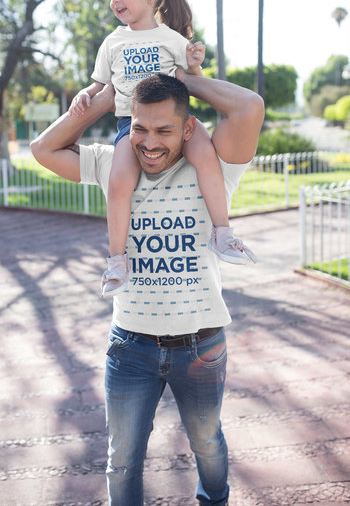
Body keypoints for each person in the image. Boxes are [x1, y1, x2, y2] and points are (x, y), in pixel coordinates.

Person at [31, 69, 265, 506]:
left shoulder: (213, 167)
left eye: (164, 130)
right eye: (139, 127)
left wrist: (182, 78)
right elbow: (42, 149)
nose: (150, 142)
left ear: (188, 128)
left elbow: (249, 107)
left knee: (207, 444)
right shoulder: (110, 165)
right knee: (121, 461)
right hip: (131, 349)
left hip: (201, 346)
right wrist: (103, 101)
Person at [68, 0, 256, 298]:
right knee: (119, 180)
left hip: (178, 124)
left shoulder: (172, 39)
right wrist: (85, 93)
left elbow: (196, 85)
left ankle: (223, 233)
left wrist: (196, 65)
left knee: (206, 159)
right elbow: (98, 85)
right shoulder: (112, 42)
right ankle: (116, 260)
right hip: (132, 126)